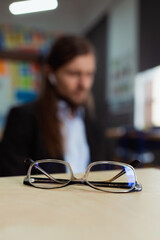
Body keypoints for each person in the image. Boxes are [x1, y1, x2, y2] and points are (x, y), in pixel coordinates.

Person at [0, 35, 106, 177]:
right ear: (50, 73)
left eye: (89, 74)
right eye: (74, 73)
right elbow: (10, 178)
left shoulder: (95, 124)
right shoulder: (23, 118)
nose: (84, 84)